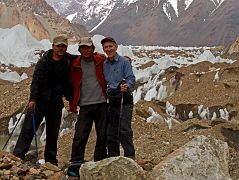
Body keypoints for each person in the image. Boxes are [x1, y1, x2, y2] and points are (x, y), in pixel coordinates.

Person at [13, 35, 76, 166]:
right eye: (59, 46)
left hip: (56, 102)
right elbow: (36, 81)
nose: (61, 48)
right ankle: (18, 156)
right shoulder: (44, 61)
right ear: (53, 46)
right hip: (40, 101)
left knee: (53, 133)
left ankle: (51, 161)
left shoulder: (68, 59)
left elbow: (81, 59)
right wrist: (33, 99)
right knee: (29, 129)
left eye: (63, 46)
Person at [69, 37, 108, 163]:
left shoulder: (100, 60)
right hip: (85, 105)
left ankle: (99, 161)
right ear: (79, 50)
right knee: (80, 136)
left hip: (101, 104)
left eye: (88, 48)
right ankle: (76, 162)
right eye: (83, 48)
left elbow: (114, 63)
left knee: (103, 135)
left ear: (93, 49)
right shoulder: (74, 64)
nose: (85, 50)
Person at [101, 37, 136, 159]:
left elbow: (131, 77)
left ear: (116, 47)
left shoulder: (124, 62)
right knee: (111, 132)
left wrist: (128, 86)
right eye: (106, 47)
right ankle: (113, 158)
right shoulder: (104, 64)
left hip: (124, 99)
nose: (109, 49)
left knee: (124, 130)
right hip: (112, 100)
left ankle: (130, 157)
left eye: (111, 46)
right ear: (104, 49)